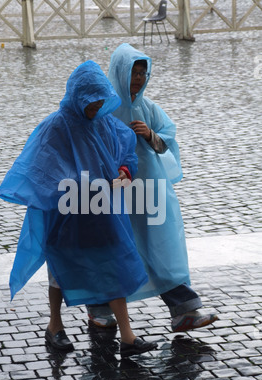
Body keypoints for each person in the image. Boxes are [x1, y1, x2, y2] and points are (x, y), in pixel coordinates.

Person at [0, 60, 158, 357]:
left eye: (100, 102)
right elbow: (39, 168)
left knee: (114, 263)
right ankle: (55, 326)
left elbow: (125, 150)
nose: (97, 108)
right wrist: (74, 186)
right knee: (61, 271)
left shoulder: (105, 123)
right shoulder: (55, 126)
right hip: (68, 214)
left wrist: (124, 171)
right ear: (79, 97)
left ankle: (128, 336)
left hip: (103, 210)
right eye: (92, 104)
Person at [87, 43, 218, 333]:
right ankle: (98, 307)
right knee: (110, 246)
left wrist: (150, 134)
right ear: (120, 72)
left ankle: (184, 308)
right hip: (115, 193)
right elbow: (90, 144)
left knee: (159, 246)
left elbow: (167, 140)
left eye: (143, 73)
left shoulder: (148, 108)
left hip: (150, 193)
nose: (138, 78)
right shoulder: (104, 108)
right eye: (133, 72)